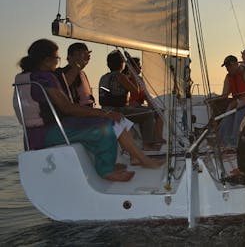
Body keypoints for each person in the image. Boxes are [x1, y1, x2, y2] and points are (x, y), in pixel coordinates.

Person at [15, 39, 162, 182]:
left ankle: (138, 157)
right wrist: (105, 113)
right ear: (46, 60)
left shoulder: (24, 77)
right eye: (57, 58)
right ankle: (107, 170)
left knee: (113, 121)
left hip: (33, 135)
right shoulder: (45, 78)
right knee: (109, 124)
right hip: (48, 132)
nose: (57, 61)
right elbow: (67, 107)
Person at [99, 50, 162, 151]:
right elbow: (135, 91)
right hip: (118, 111)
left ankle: (146, 142)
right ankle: (148, 145)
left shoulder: (104, 77)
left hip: (106, 110)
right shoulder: (120, 76)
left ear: (108, 64)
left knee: (142, 113)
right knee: (148, 114)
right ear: (122, 64)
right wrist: (133, 76)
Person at [122, 57, 164, 145]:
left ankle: (158, 138)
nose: (140, 68)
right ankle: (148, 142)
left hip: (140, 106)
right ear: (132, 67)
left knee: (160, 112)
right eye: (139, 66)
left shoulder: (140, 80)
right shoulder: (125, 79)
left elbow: (146, 96)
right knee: (149, 113)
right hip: (131, 108)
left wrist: (152, 105)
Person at [55, 42, 95, 107]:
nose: (81, 58)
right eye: (78, 55)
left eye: (84, 55)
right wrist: (78, 66)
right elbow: (63, 85)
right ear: (69, 57)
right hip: (75, 112)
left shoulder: (82, 74)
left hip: (87, 111)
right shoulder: (61, 72)